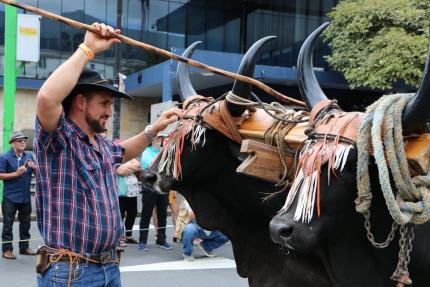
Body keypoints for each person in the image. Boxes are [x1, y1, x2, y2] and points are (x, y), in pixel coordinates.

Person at [34, 22, 182, 286]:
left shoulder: (99, 144)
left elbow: (122, 151)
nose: (109, 112)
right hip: (70, 273)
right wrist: (87, 49)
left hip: (109, 267)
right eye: (104, 103)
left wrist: (154, 129)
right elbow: (46, 99)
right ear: (80, 102)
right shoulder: (59, 139)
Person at [0, 131, 37, 259]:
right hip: (10, 197)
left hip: (25, 196)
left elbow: (38, 175)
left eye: (24, 140)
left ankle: (24, 247)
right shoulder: (4, 157)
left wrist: (36, 168)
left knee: (26, 223)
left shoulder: (29, 156)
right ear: (12, 143)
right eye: (19, 140)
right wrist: (16, 173)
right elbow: (0, 175)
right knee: (8, 224)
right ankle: (7, 250)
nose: (23, 142)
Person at [138, 136, 172, 251]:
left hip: (162, 187)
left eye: (160, 138)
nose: (159, 140)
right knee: (146, 214)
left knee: (163, 214)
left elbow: (168, 166)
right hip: (149, 187)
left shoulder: (164, 151)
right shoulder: (147, 152)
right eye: (157, 138)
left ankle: (161, 240)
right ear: (151, 140)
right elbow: (152, 166)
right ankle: (142, 241)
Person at [116, 158, 141, 246]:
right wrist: (132, 168)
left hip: (133, 193)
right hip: (122, 193)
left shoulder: (132, 158)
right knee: (120, 215)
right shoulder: (117, 159)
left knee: (133, 213)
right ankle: (119, 238)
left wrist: (127, 167)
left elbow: (138, 166)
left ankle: (128, 236)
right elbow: (120, 172)